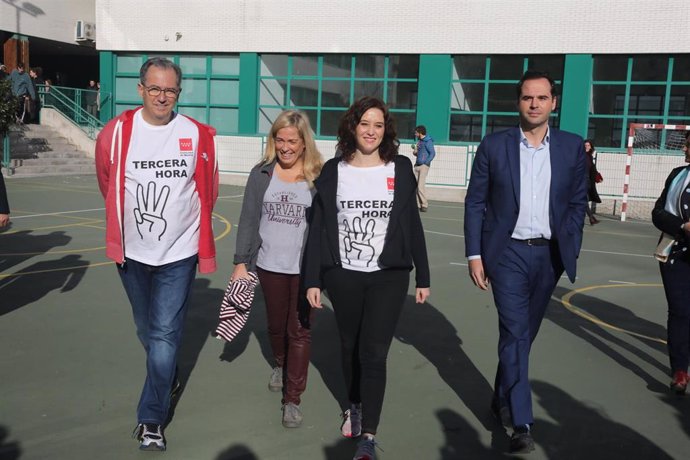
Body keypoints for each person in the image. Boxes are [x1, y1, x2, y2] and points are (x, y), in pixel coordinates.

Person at [95, 57, 218, 451]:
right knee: (147, 330)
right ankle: (167, 374)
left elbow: (207, 189)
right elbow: (106, 180)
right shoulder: (114, 134)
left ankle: (152, 419)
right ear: (141, 89)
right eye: (155, 88)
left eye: (170, 90)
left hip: (178, 254)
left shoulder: (197, 135)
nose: (162, 96)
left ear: (178, 93)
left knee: (164, 336)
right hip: (132, 254)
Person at [464, 70, 587, 454]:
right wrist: (475, 253)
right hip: (508, 254)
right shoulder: (494, 145)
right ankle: (522, 422)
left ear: (553, 103)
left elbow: (578, 202)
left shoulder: (571, 148)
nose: (534, 104)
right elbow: (475, 203)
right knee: (516, 333)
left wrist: (571, 243)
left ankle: (501, 394)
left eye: (541, 98)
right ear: (518, 102)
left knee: (522, 337)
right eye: (527, 98)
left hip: (550, 255)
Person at [304, 96, 431, 460]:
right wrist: (313, 278)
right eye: (364, 124)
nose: (371, 131)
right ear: (352, 127)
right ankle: (353, 404)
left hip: (388, 276)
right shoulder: (333, 171)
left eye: (378, 124)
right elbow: (319, 230)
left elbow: (412, 224)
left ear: (385, 130)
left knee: (374, 352)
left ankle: (369, 437)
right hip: (343, 275)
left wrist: (422, 274)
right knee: (349, 345)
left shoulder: (401, 169)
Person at [231, 110, 323, 428]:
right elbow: (248, 220)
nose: (285, 147)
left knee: (299, 331)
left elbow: (326, 227)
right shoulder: (261, 174)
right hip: (269, 266)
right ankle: (280, 364)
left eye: (292, 141)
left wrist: (324, 270)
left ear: (303, 143)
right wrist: (241, 262)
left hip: (304, 270)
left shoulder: (318, 176)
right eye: (279, 140)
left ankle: (292, 398)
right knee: (275, 326)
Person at [651, 136, 690, 395]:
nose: (684, 148)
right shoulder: (677, 174)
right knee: (679, 312)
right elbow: (657, 213)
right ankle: (679, 370)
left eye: (689, 144)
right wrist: (683, 226)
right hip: (677, 253)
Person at [412, 125, 435, 212]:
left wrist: (426, 162)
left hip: (423, 166)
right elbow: (417, 154)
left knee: (420, 186)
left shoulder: (428, 141)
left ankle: (424, 204)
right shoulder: (420, 142)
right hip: (417, 165)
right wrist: (415, 150)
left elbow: (432, 153)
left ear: (420, 133)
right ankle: (418, 205)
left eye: (416, 132)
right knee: (415, 186)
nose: (415, 134)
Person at [584, 139, 602, 225]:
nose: (586, 147)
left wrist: (597, 176)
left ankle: (591, 217)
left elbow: (592, 169)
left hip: (587, 180)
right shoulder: (582, 156)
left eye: (588, 145)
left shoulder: (589, 157)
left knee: (584, 200)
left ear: (591, 147)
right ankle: (591, 217)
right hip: (581, 181)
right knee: (583, 200)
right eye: (585, 145)